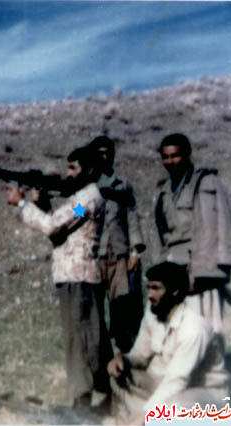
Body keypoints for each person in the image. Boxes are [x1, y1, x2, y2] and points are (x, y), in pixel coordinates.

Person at [6, 145, 113, 411]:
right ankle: (97, 394)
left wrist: (22, 204)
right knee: (83, 338)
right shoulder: (81, 199)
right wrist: (41, 204)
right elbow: (61, 231)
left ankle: (85, 400)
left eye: (73, 168)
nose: (68, 174)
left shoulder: (86, 201)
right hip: (73, 276)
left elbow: (53, 225)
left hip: (79, 278)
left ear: (89, 170)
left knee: (81, 340)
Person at [107, 262, 229, 425]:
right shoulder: (153, 313)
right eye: (148, 288)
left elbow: (178, 380)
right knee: (119, 376)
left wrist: (146, 413)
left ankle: (146, 419)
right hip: (166, 385)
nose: (150, 295)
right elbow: (140, 356)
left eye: (156, 288)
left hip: (203, 394)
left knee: (175, 404)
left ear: (174, 291)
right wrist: (123, 359)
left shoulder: (193, 328)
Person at [152, 133, 231, 335]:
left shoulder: (105, 189)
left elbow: (211, 227)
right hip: (94, 263)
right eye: (165, 157)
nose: (169, 161)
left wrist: (134, 251)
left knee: (202, 324)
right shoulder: (91, 189)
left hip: (193, 264)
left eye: (107, 154)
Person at [89, 135, 146, 353]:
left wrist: (135, 251)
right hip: (95, 255)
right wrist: (82, 209)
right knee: (95, 309)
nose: (104, 157)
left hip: (120, 254)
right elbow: (76, 211)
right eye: (99, 154)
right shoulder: (88, 186)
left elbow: (132, 215)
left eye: (108, 153)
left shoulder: (123, 185)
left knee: (123, 308)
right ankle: (101, 356)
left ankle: (126, 353)